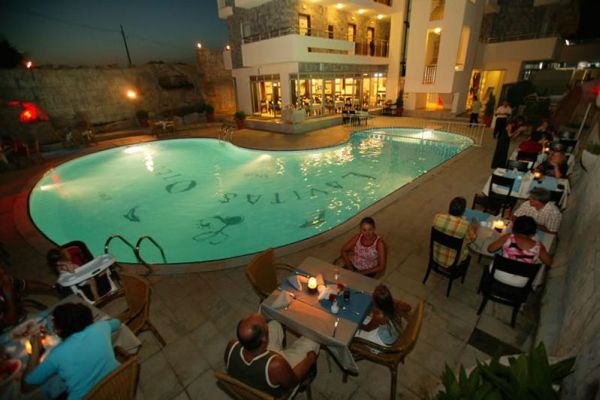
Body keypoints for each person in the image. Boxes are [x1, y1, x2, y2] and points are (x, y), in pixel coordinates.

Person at [21, 302, 122, 399]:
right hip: (120, 382)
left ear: (59, 331)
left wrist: (35, 350)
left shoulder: (58, 354)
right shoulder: (101, 326)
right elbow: (117, 323)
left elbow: (26, 386)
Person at [224, 314, 319, 397]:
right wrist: (310, 359)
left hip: (262, 367)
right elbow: (293, 382)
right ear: (264, 339)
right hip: (279, 382)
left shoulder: (231, 346)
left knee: (274, 323)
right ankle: (305, 381)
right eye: (265, 324)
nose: (266, 323)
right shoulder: (276, 365)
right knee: (313, 342)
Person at [486, 216, 552, 287]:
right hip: (521, 282)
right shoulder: (539, 247)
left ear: (514, 228)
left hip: (498, 275)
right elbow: (549, 263)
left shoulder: (508, 237)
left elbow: (490, 249)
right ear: (533, 232)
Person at [432, 197, 478, 268]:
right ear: (463, 211)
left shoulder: (437, 217)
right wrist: (475, 228)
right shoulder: (465, 225)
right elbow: (472, 239)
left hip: (435, 255)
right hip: (454, 261)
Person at [491, 101, 512, 168]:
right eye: (504, 103)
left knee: (502, 129)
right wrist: (500, 113)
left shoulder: (509, 108)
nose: (505, 104)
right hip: (499, 118)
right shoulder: (500, 107)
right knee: (497, 128)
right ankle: (495, 135)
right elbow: (496, 113)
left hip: (504, 119)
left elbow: (510, 114)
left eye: (506, 103)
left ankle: (500, 135)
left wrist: (506, 113)